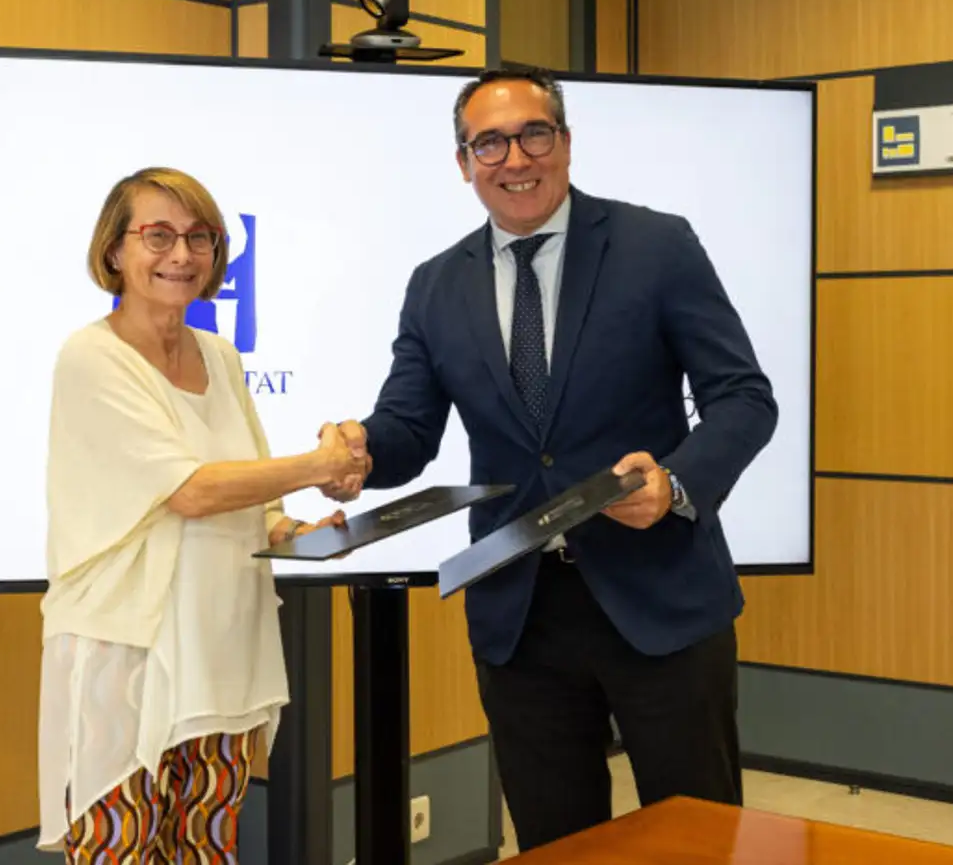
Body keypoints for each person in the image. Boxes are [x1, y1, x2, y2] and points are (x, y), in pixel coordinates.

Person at [325, 66, 778, 850]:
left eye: (534, 133)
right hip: (520, 614)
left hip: (661, 596)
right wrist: (360, 449)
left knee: (699, 840)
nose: (515, 157)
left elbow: (743, 397)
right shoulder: (436, 285)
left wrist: (675, 483)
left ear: (565, 143)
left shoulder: (656, 245)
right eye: (489, 143)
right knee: (554, 842)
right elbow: (410, 428)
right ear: (464, 162)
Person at [37, 167, 355, 862]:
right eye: (158, 235)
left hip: (220, 649)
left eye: (198, 237)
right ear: (114, 250)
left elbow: (259, 500)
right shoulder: (91, 356)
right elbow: (191, 490)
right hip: (125, 655)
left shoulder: (220, 354)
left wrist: (295, 530)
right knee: (117, 849)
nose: (181, 254)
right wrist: (320, 462)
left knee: (206, 848)